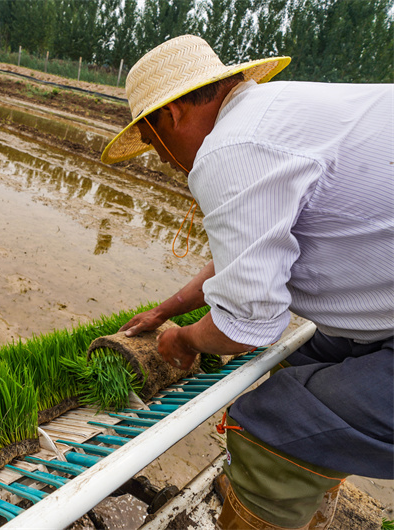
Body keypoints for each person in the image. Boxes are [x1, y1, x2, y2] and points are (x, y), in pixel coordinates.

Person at [100, 35, 393, 529]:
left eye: (153, 143)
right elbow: (251, 258)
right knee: (308, 356)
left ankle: (275, 480)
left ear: (169, 117)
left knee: (268, 422)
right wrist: (168, 309)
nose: (167, 161)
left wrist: (184, 339)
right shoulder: (285, 113)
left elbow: (249, 328)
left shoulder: (231, 149)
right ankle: (305, 489)